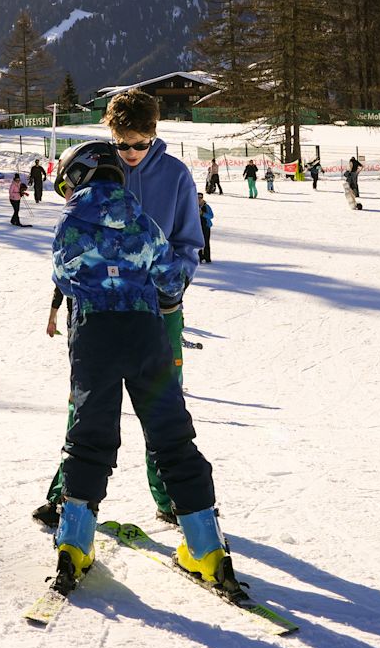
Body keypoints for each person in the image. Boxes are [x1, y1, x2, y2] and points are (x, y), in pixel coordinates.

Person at [37, 142, 237, 595]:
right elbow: (170, 277)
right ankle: (207, 547)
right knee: (170, 434)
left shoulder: (70, 219)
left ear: (79, 176)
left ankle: (74, 543)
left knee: (90, 433)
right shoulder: (142, 219)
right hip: (146, 332)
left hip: (94, 335)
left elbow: (64, 276)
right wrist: (152, 292)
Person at [36, 89, 203, 530]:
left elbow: (189, 243)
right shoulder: (98, 168)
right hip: (96, 306)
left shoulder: (175, 175)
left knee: (162, 402)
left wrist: (173, 288)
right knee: (87, 401)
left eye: (140, 144)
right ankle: (66, 497)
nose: (130, 153)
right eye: (122, 143)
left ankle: (171, 498)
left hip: (159, 308)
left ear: (154, 134)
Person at [197, 193, 214, 263]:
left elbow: (211, 216)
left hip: (206, 226)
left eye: (200, 197)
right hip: (197, 227)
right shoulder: (193, 206)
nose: (199, 199)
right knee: (198, 242)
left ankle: (207, 258)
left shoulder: (206, 206)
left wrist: (203, 214)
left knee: (206, 242)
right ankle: (200, 257)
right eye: (198, 197)